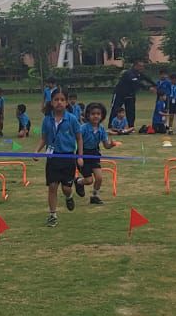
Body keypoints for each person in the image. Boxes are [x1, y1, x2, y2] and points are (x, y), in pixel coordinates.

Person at [37, 89, 82, 227]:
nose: (59, 102)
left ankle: (69, 196)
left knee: (66, 188)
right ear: (51, 102)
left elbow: (79, 139)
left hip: (68, 157)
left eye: (62, 100)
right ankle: (52, 215)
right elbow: (44, 139)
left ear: (67, 102)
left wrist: (79, 156)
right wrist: (36, 151)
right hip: (52, 158)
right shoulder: (47, 120)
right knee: (52, 186)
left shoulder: (72, 119)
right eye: (56, 99)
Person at [77, 101, 116, 205]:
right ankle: (78, 182)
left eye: (98, 114)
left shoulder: (102, 129)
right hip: (83, 153)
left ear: (102, 116)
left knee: (99, 178)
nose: (96, 116)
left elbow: (106, 145)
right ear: (88, 115)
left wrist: (111, 145)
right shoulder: (83, 128)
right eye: (93, 114)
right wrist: (80, 157)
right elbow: (79, 142)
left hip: (94, 154)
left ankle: (95, 196)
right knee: (89, 180)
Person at [109, 59, 156, 132]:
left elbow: (147, 78)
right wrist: (148, 88)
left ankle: (131, 127)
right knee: (115, 109)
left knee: (131, 111)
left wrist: (155, 85)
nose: (142, 68)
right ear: (135, 66)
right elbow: (137, 82)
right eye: (140, 66)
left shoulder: (139, 74)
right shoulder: (129, 73)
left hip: (130, 95)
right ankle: (111, 127)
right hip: (120, 94)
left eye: (142, 66)